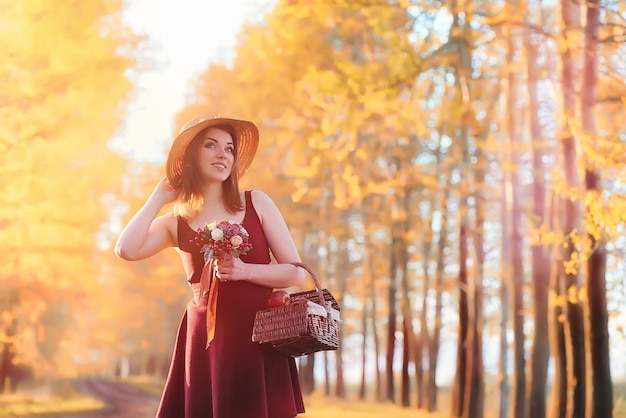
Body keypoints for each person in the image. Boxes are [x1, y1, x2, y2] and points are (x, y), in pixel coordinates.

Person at [114, 115, 306, 418]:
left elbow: (296, 273)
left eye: (229, 148)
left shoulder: (257, 202)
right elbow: (125, 249)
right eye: (211, 145)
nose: (223, 154)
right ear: (191, 155)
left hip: (260, 336)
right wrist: (158, 197)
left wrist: (246, 272)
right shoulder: (175, 223)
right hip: (206, 339)